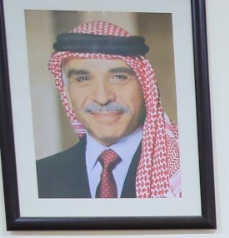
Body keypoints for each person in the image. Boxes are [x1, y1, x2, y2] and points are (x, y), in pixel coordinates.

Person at [36, 21, 183, 199]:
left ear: (145, 87)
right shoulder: (38, 177)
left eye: (119, 77)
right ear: (67, 93)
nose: (102, 98)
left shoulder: (183, 170)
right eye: (83, 79)